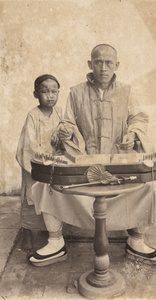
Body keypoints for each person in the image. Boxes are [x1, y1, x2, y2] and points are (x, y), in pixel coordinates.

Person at [28, 44, 156, 266]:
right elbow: (67, 122)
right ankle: (56, 241)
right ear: (90, 64)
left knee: (151, 187)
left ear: (117, 65)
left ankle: (136, 240)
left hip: (118, 163)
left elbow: (138, 118)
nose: (103, 68)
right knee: (46, 186)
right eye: (98, 62)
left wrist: (132, 134)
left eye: (109, 63)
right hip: (84, 163)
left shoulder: (127, 90)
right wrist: (66, 130)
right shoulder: (75, 92)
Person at [16, 74, 63, 252]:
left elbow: (66, 135)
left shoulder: (60, 113)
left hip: (54, 166)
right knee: (32, 200)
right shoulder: (33, 116)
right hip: (36, 167)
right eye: (44, 91)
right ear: (36, 94)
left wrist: (64, 138)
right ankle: (28, 236)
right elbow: (29, 144)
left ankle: (52, 234)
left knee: (52, 199)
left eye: (54, 91)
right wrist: (42, 160)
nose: (50, 95)